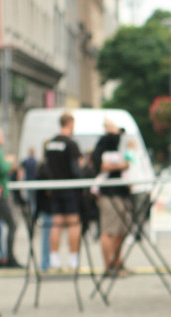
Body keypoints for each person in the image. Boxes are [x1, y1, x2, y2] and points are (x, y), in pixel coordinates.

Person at [44, 112, 84, 271]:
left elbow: (46, 166)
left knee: (56, 224)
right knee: (74, 223)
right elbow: (78, 166)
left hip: (54, 187)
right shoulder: (71, 143)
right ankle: (73, 260)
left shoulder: (50, 143)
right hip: (69, 187)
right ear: (70, 123)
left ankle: (54, 260)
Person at [91, 119, 131, 274]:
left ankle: (117, 262)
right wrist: (122, 165)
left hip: (121, 192)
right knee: (108, 230)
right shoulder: (103, 143)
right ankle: (109, 266)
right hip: (108, 193)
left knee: (121, 230)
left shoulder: (118, 144)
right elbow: (100, 165)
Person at [0, 127, 18, 267]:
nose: (3, 138)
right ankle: (9, 257)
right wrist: (10, 161)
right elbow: (3, 169)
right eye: (0, 135)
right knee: (12, 224)